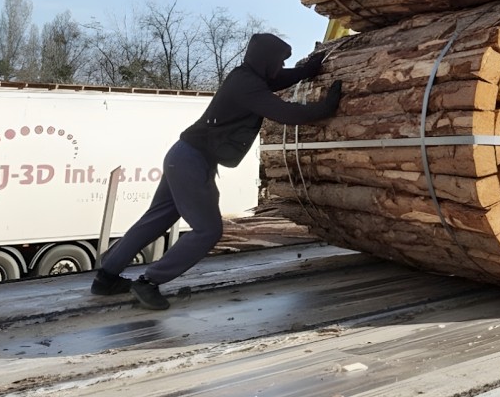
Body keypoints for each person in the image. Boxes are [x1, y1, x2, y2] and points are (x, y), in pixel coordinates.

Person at [89, 33, 341, 310]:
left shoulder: (245, 77)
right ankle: (148, 282)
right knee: (208, 231)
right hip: (192, 161)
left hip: (182, 155)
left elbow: (278, 79)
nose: (280, 68)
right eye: (278, 62)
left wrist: (307, 70)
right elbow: (287, 113)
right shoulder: (248, 86)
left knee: (156, 219)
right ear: (266, 61)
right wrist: (327, 107)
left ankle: (106, 278)